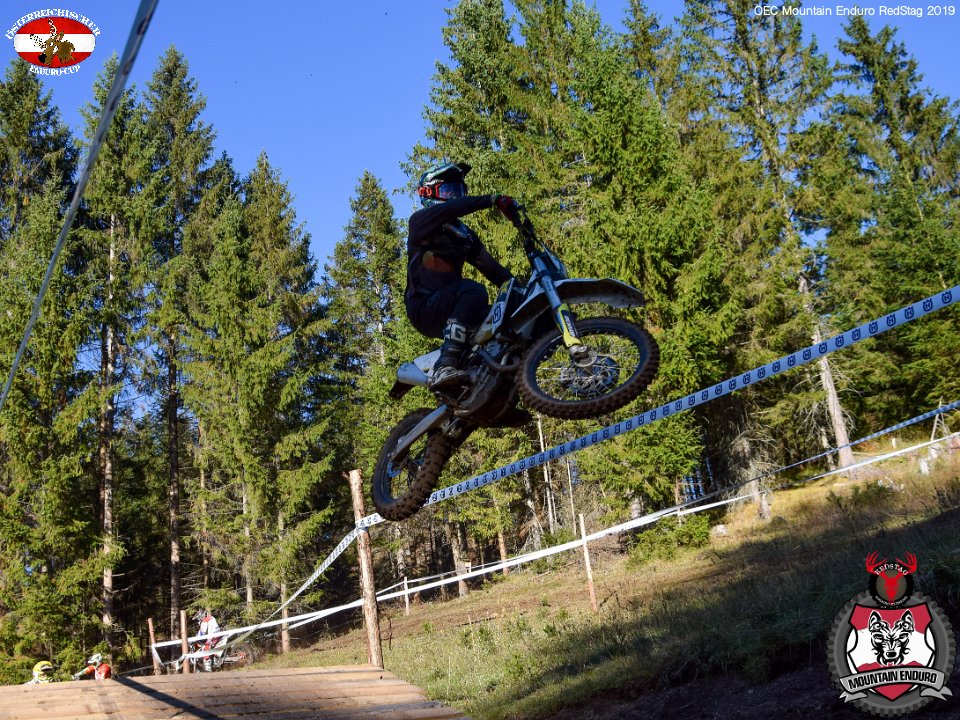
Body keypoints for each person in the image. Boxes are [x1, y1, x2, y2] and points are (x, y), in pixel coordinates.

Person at [405, 162, 518, 388]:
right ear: (429, 193)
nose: (455, 197)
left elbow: (495, 272)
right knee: (474, 290)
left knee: (507, 319)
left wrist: (520, 291)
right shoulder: (420, 222)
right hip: (424, 306)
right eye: (448, 191)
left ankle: (493, 386)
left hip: (454, 304)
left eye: (459, 191)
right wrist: (492, 199)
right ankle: (445, 365)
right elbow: (450, 209)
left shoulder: (463, 234)